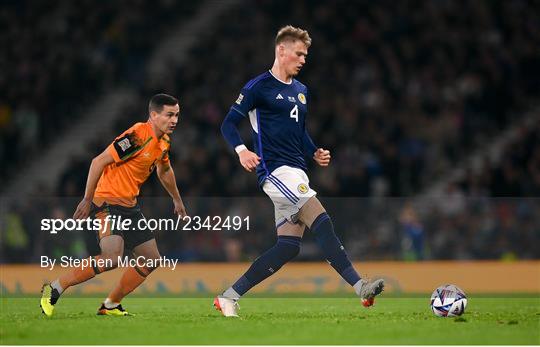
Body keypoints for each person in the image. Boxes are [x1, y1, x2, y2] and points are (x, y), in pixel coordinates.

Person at [217, 26, 384, 317]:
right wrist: (242, 151)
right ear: (281, 51)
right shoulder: (258, 87)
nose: (304, 59)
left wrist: (314, 151)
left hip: (298, 172)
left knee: (288, 247)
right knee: (320, 217)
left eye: (306, 54)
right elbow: (228, 124)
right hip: (275, 172)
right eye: (299, 53)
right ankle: (360, 287)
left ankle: (228, 297)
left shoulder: (301, 91)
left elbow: (299, 130)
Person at [40, 93, 187, 316]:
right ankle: (55, 287)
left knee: (152, 260)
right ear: (154, 115)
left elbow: (164, 170)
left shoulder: (164, 141)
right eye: (169, 115)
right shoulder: (138, 135)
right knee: (112, 258)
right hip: (107, 201)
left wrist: (176, 199)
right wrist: (87, 199)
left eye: (177, 115)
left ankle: (110, 304)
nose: (174, 120)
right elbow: (98, 161)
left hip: (129, 206)